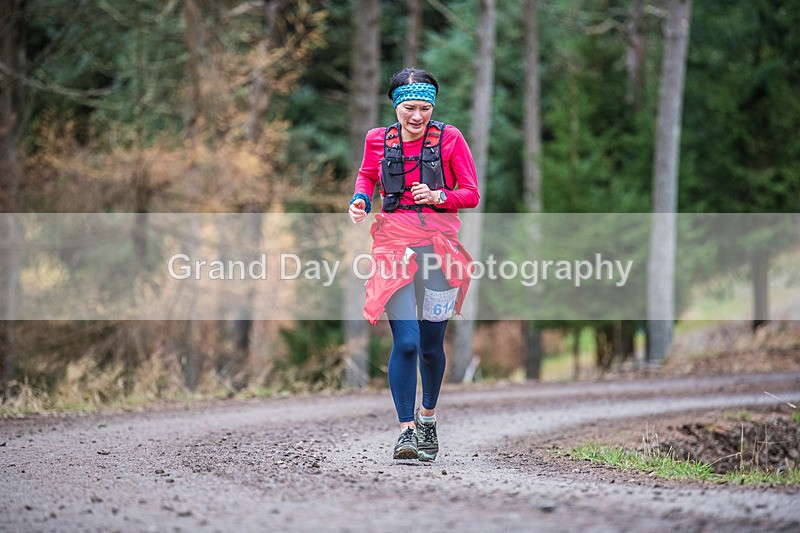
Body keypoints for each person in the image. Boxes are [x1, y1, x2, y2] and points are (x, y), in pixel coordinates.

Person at [348, 67, 480, 461]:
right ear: (396, 107)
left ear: (433, 107)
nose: (417, 117)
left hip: (438, 250)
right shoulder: (377, 140)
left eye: (424, 108)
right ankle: (406, 431)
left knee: (430, 346)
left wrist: (439, 196)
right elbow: (366, 176)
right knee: (405, 342)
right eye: (409, 109)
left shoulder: (450, 138)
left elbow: (471, 193)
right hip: (392, 248)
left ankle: (428, 420)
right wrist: (360, 200)